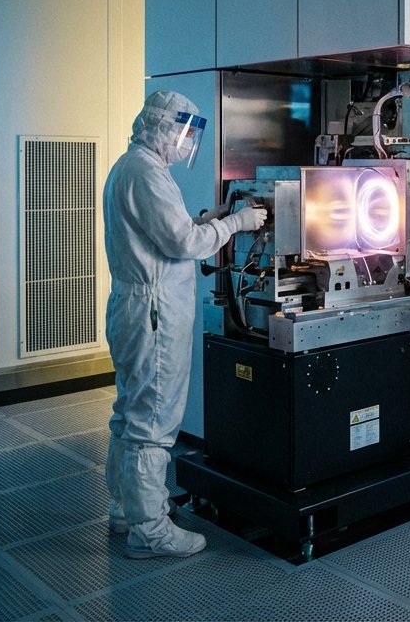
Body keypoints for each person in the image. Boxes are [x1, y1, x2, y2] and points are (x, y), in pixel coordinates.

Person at [104, 90, 267, 559]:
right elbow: (180, 243)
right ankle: (150, 530)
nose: (184, 143)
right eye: (183, 133)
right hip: (154, 313)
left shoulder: (131, 167)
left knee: (130, 414)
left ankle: (126, 508)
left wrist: (209, 219)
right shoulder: (146, 172)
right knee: (153, 421)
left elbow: (170, 229)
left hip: (136, 306)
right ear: (163, 127)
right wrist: (236, 223)